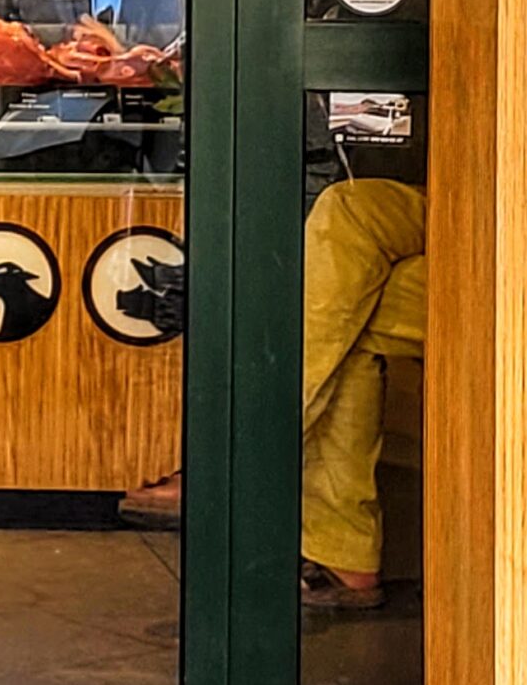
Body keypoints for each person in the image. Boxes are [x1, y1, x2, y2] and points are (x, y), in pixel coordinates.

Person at [119, 175, 425, 610]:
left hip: (502, 211)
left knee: (349, 272)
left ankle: (237, 464)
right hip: (446, 207)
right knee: (349, 279)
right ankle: (339, 551)